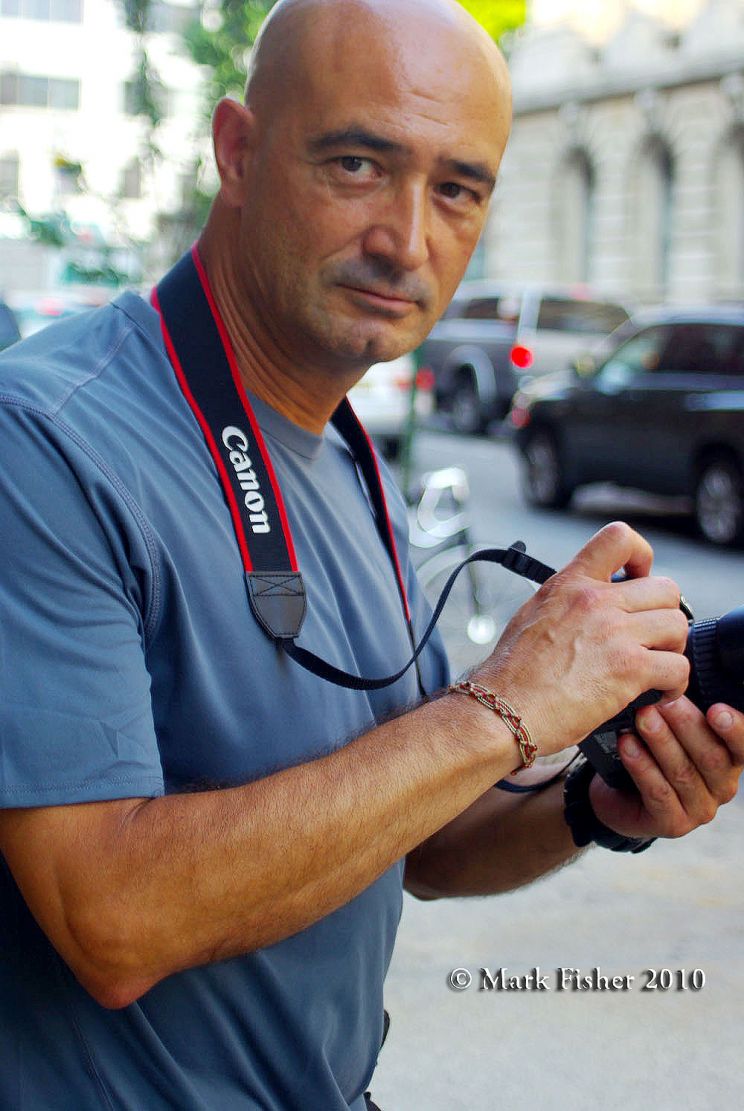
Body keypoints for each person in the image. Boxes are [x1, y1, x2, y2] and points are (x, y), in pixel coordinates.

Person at [0, 0, 742, 1107]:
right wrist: (504, 705)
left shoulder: (356, 462)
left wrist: (591, 805)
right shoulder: (45, 439)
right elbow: (111, 920)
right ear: (238, 151)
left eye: (458, 189)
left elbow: (419, 839)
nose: (408, 238)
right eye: (358, 163)